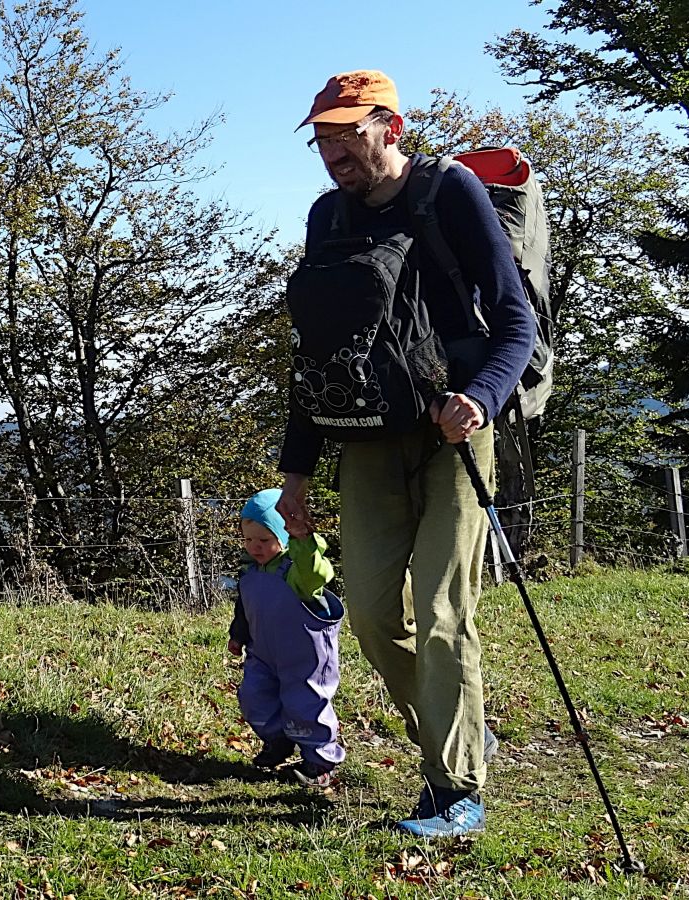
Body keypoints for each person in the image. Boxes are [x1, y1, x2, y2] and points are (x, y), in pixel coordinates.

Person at [276, 70, 535, 837]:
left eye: (347, 132)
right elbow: (318, 351)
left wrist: (480, 398)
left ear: (390, 125)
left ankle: (455, 789)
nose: (333, 150)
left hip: (454, 433)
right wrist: (295, 471)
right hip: (364, 439)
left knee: (445, 609)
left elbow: (516, 319)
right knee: (370, 616)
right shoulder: (328, 218)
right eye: (323, 136)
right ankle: (461, 728)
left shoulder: (448, 193)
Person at [227, 488, 346, 788]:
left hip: (305, 656)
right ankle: (278, 740)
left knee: (307, 705)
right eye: (248, 539)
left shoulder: (295, 571)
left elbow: (315, 573)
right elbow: (245, 606)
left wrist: (303, 542)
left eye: (264, 540)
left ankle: (321, 762)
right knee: (254, 697)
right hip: (263, 653)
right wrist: (237, 636)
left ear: (282, 537)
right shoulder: (250, 571)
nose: (255, 547)